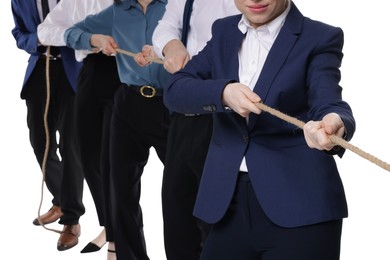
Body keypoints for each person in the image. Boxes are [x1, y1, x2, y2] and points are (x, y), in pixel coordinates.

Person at [163, 0, 356, 259]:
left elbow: (329, 101)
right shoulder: (223, 31)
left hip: (300, 207)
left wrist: (333, 121)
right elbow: (176, 90)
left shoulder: (319, 37)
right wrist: (223, 92)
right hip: (226, 205)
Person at [64, 0, 169, 259]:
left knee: (184, 189)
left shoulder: (176, 7)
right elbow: (71, 34)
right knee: (120, 191)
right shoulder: (117, 11)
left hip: (172, 104)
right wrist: (95, 39)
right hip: (128, 104)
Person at [136, 1, 239, 259]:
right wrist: (173, 47)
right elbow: (166, 27)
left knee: (219, 220)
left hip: (227, 118)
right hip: (184, 115)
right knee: (177, 213)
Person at [37, 0, 121, 256]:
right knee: (91, 159)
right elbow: (44, 31)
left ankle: (120, 234)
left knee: (119, 161)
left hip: (128, 73)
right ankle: (111, 228)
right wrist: (88, 38)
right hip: (91, 74)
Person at [11, 0, 85, 251]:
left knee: (71, 146)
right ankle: (62, 200)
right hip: (38, 71)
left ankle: (71, 220)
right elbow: (19, 33)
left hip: (72, 74)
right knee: (39, 143)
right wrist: (38, 41)